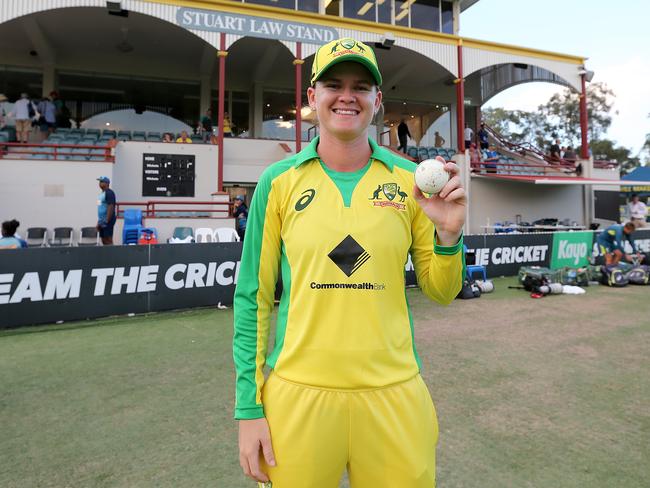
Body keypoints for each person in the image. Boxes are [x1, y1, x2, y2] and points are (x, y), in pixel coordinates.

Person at [234, 37, 465, 487]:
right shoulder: (278, 182)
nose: (347, 96)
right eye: (333, 84)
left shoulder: (409, 181)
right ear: (311, 98)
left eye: (361, 86)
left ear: (377, 101)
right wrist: (249, 408)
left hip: (394, 394)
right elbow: (252, 298)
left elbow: (442, 290)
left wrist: (449, 237)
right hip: (298, 395)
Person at [96, 176, 117, 245]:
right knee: (103, 239)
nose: (100, 183)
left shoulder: (109, 193)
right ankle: (107, 255)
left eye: (102, 181)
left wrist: (107, 220)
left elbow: (110, 206)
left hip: (108, 219)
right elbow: (100, 208)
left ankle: (112, 255)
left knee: (108, 239)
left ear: (107, 183)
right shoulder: (101, 195)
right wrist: (99, 222)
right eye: (100, 181)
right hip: (102, 220)